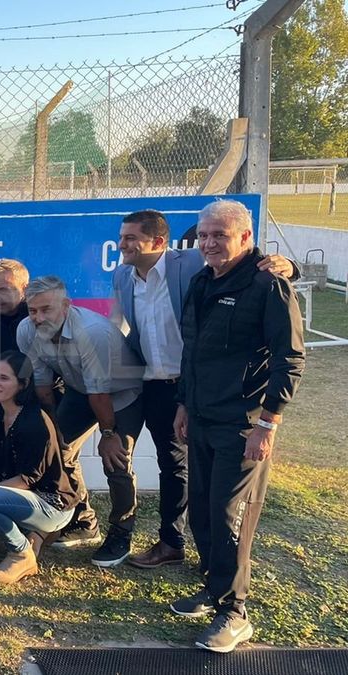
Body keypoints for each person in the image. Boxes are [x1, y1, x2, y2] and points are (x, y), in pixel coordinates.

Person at [112, 209, 296, 569]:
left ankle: (191, 551)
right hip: (152, 384)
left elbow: (250, 264)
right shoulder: (122, 277)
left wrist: (287, 264)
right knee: (172, 464)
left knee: (190, 472)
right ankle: (175, 545)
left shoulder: (190, 263)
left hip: (196, 389)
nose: (122, 245)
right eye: (121, 237)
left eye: (131, 238)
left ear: (159, 243)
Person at [169, 199, 304, 653]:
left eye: (219, 235)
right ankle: (214, 589)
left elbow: (290, 359)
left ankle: (235, 612)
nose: (209, 243)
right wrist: (184, 404)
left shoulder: (269, 285)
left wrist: (268, 423)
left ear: (246, 238)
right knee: (204, 509)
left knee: (230, 516)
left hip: (244, 425)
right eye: (204, 235)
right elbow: (192, 351)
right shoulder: (201, 282)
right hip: (202, 417)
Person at [16, 275, 145, 567]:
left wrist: (108, 434)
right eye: (32, 310)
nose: (37, 317)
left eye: (46, 309)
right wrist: (54, 431)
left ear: (66, 306)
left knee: (116, 461)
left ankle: (121, 532)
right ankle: (84, 520)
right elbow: (43, 386)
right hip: (80, 389)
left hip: (121, 393)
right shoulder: (26, 330)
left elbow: (100, 394)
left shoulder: (92, 332)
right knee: (58, 452)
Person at [0, 351, 80, 584]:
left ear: (23, 384)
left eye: (4, 378)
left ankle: (22, 554)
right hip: (21, 497)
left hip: (51, 503)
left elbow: (27, 480)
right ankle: (34, 534)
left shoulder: (33, 422)